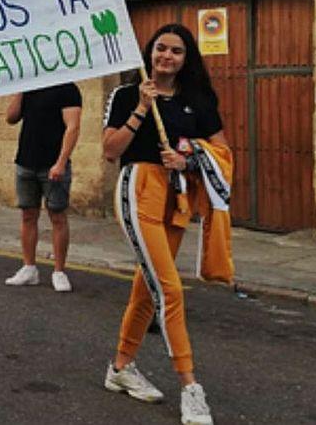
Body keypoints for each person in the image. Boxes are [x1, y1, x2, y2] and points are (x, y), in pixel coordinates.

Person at [102, 23, 232, 425]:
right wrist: (142, 108)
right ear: (150, 52)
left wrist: (190, 157)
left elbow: (222, 149)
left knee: (147, 288)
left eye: (176, 51)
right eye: (161, 49)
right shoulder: (126, 94)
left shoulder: (199, 99)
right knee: (170, 289)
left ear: (186, 58)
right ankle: (191, 387)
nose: (167, 57)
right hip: (138, 187)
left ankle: (120, 368)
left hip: (177, 195)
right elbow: (110, 150)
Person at [3, 82, 82, 292]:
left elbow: (73, 127)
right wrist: (21, 89)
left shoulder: (68, 88)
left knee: (57, 216)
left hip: (53, 165)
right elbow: (10, 117)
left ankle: (59, 271)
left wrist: (61, 162)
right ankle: (29, 268)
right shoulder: (31, 86)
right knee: (28, 215)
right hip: (25, 162)